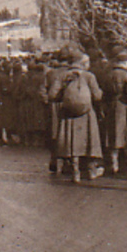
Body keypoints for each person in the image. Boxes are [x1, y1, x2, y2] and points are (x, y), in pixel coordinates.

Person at [49, 48, 104, 184]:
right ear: (81, 62)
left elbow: (52, 96)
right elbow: (97, 96)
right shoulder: (89, 76)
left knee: (71, 140)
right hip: (87, 113)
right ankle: (91, 170)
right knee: (89, 140)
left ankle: (75, 171)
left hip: (68, 114)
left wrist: (65, 97)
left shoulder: (62, 76)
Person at [103, 49, 127, 174]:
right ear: (125, 62)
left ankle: (113, 160)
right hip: (124, 105)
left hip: (111, 105)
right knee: (125, 131)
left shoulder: (109, 74)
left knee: (113, 132)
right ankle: (123, 161)